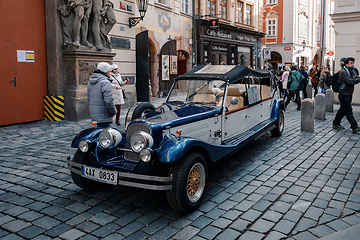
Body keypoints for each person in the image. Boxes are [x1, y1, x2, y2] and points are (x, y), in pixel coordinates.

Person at [333, 57, 360, 133]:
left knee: (342, 110)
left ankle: (336, 123)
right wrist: (353, 80)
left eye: (353, 63)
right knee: (348, 111)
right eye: (351, 63)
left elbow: (357, 79)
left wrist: (353, 80)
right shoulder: (343, 72)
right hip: (343, 93)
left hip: (349, 93)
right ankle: (355, 127)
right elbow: (349, 82)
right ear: (346, 63)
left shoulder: (353, 71)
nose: (352, 64)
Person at [87, 62, 117, 128]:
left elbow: (89, 98)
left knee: (98, 132)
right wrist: (113, 111)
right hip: (104, 115)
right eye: (109, 71)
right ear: (105, 72)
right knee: (105, 134)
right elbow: (109, 101)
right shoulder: (105, 82)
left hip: (94, 114)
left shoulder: (91, 81)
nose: (110, 73)